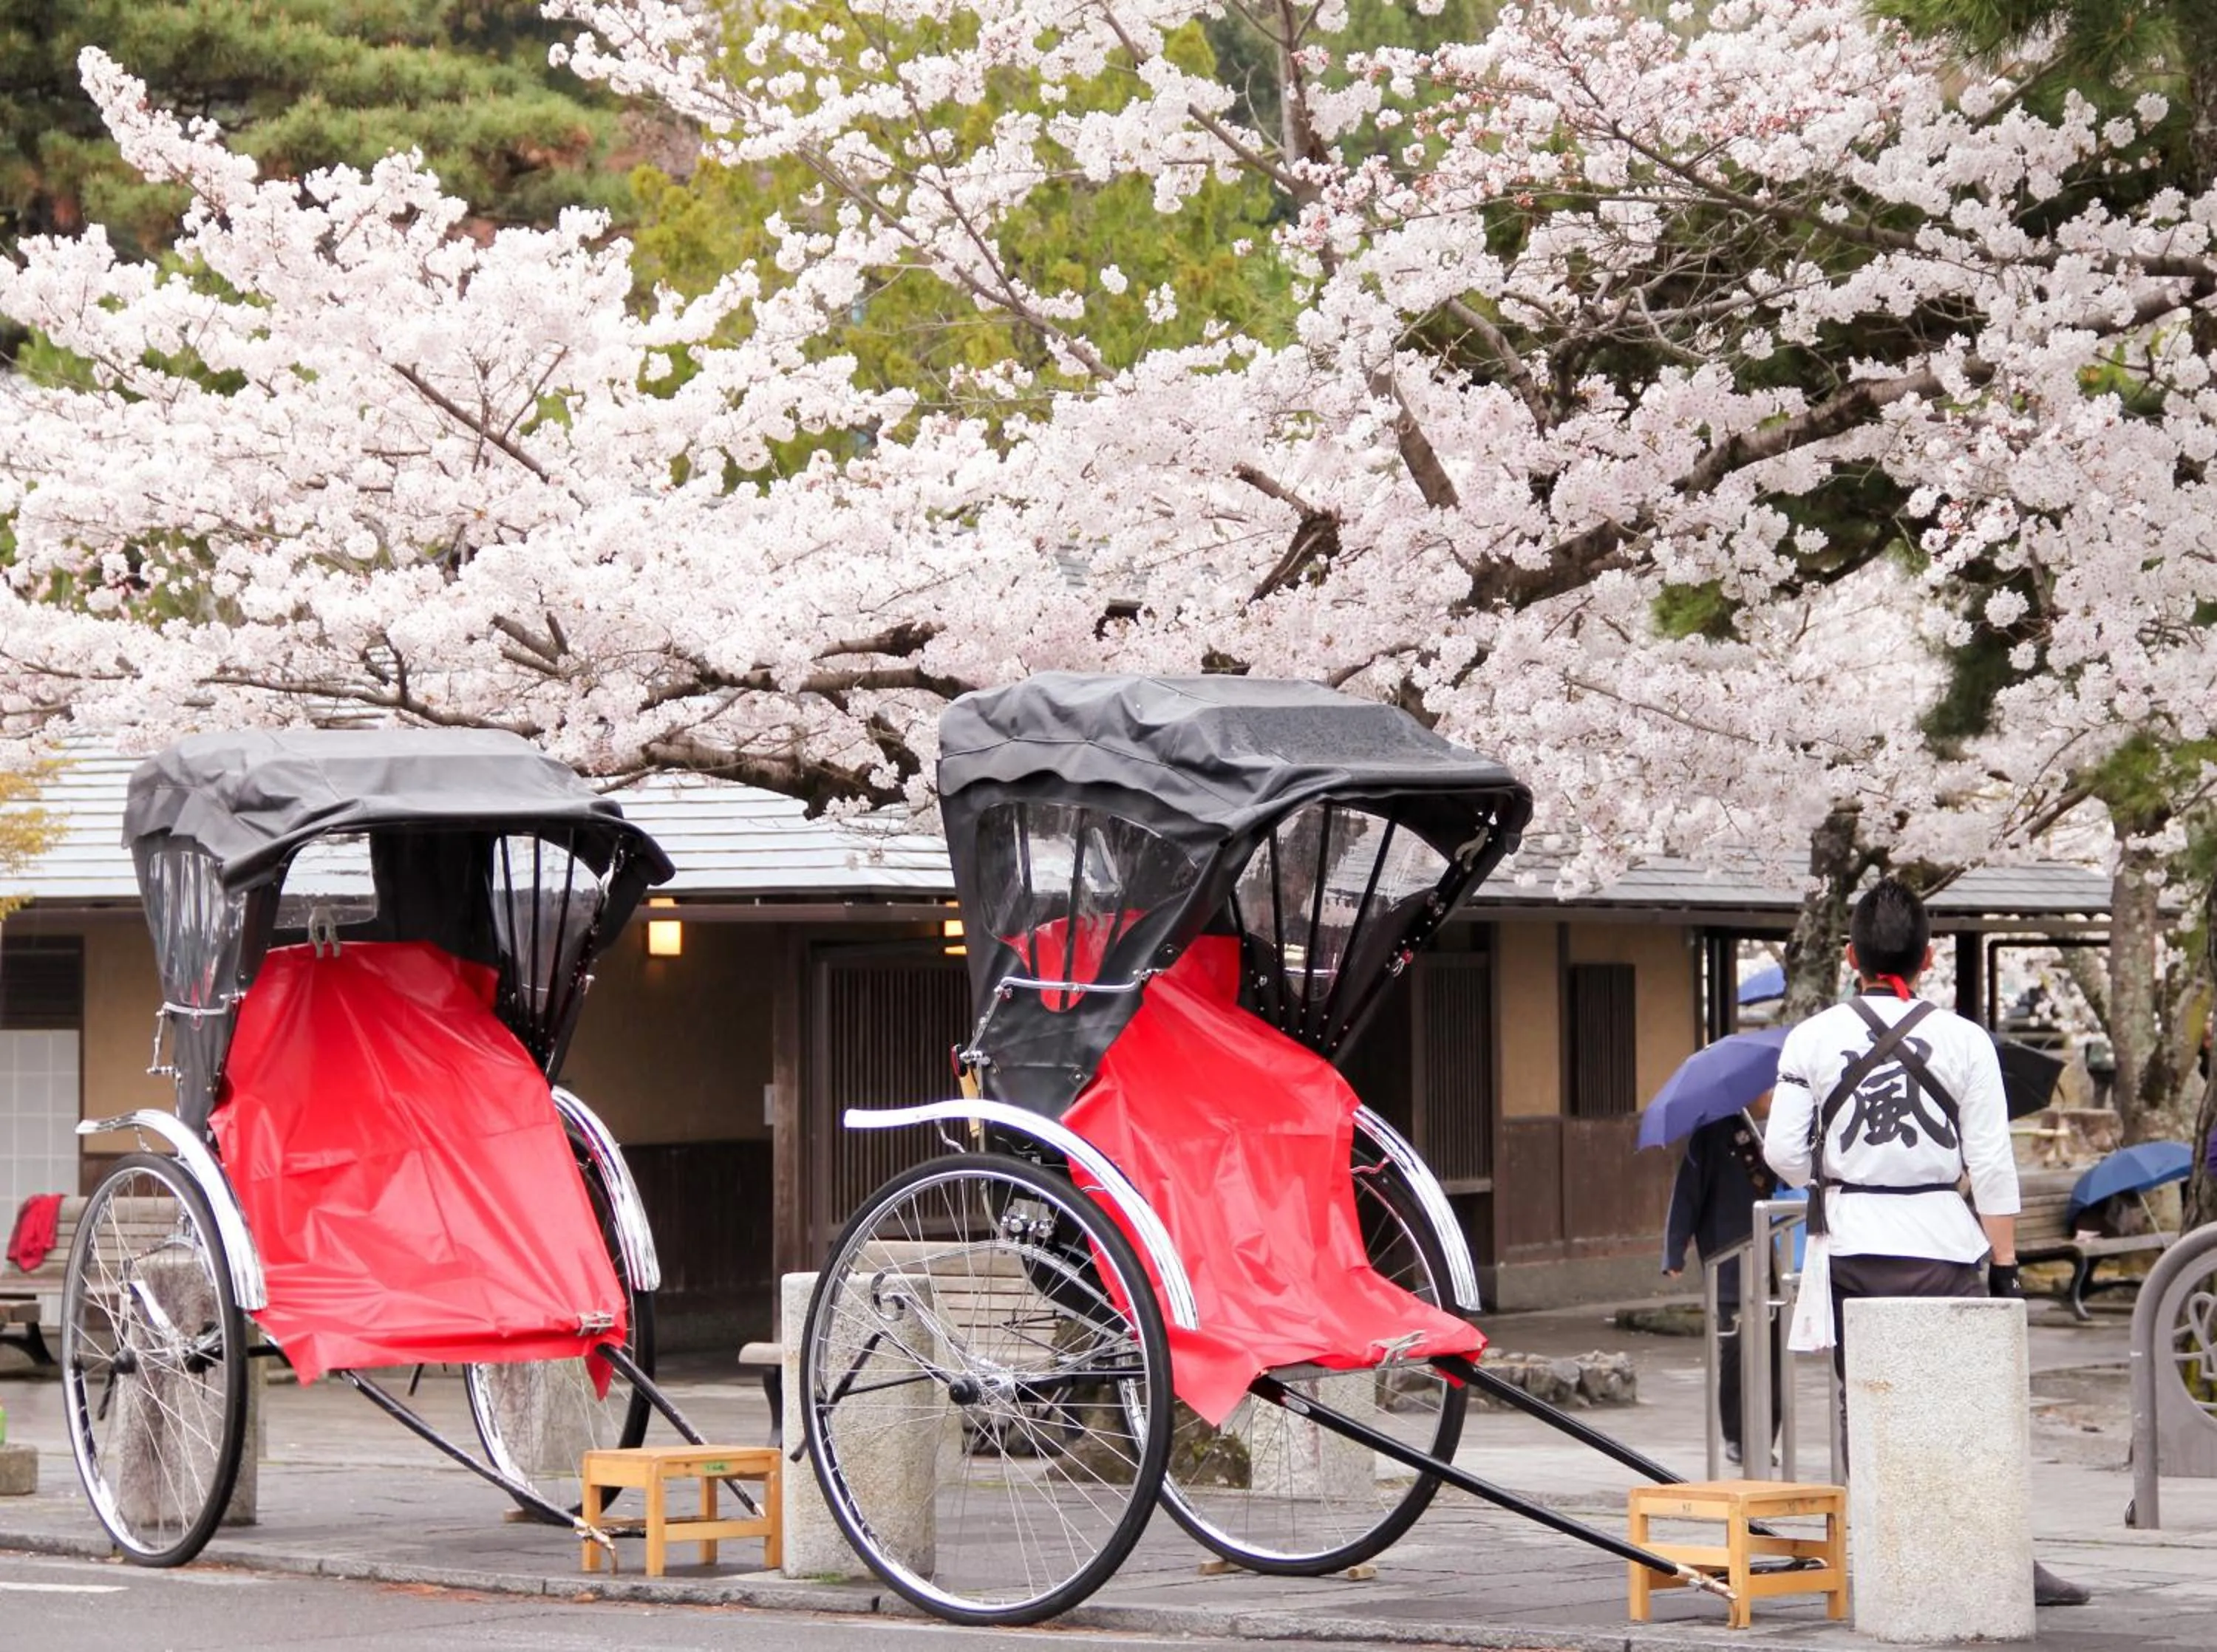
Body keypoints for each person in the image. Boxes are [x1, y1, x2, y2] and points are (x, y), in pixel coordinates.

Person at [1762, 877, 2090, 1608]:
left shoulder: (1810, 1037)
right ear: (1930, 956)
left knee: (1864, 1401)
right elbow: (1993, 1165)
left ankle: (1882, 1553)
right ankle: (2001, 1558)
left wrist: (1833, 1174)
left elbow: (1783, 1151)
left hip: (1847, 1241)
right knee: (1969, 1405)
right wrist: (2005, 1267)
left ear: (1850, 954)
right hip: (1942, 1242)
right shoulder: (1966, 1040)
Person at [1663, 1096, 1782, 1466]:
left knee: (1774, 1352)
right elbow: (1686, 1195)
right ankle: (1735, 1435)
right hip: (1729, 1256)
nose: (1773, 1097)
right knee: (1735, 1352)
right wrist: (1674, 1251)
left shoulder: (1774, 1135)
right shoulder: (1711, 1134)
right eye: (1768, 1090)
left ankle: (1766, 1436)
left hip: (1771, 1255)